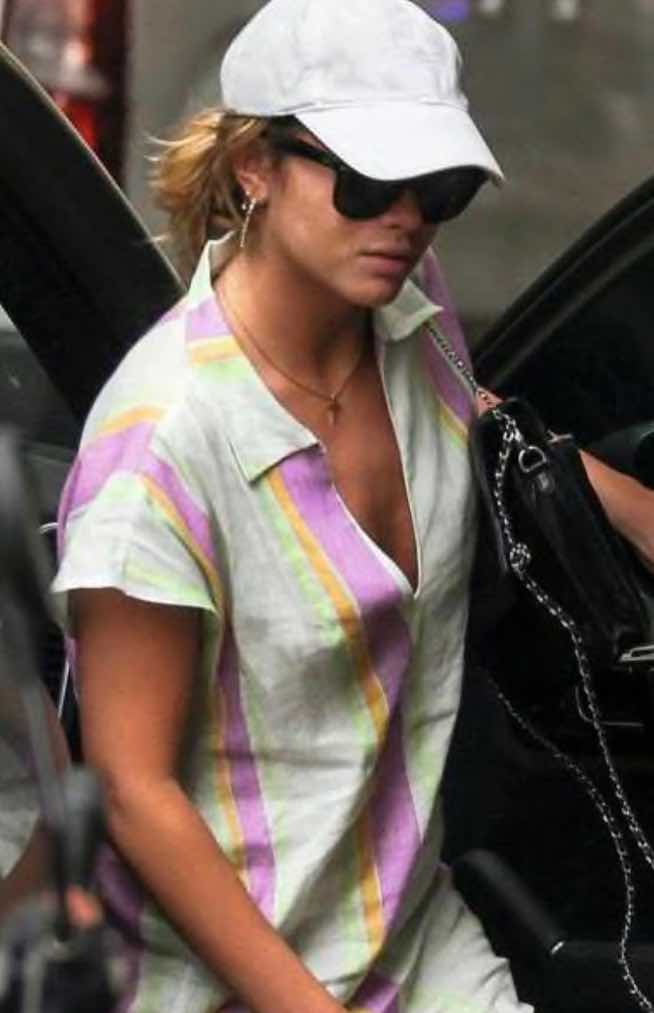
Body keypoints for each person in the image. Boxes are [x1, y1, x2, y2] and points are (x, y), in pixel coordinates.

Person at [51, 1, 654, 1011]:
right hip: (223, 978)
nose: (407, 218)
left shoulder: (410, 327)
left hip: (414, 937)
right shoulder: (162, 445)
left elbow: (486, 427)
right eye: (370, 180)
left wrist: (634, 509)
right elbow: (130, 791)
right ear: (256, 164)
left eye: (441, 187)